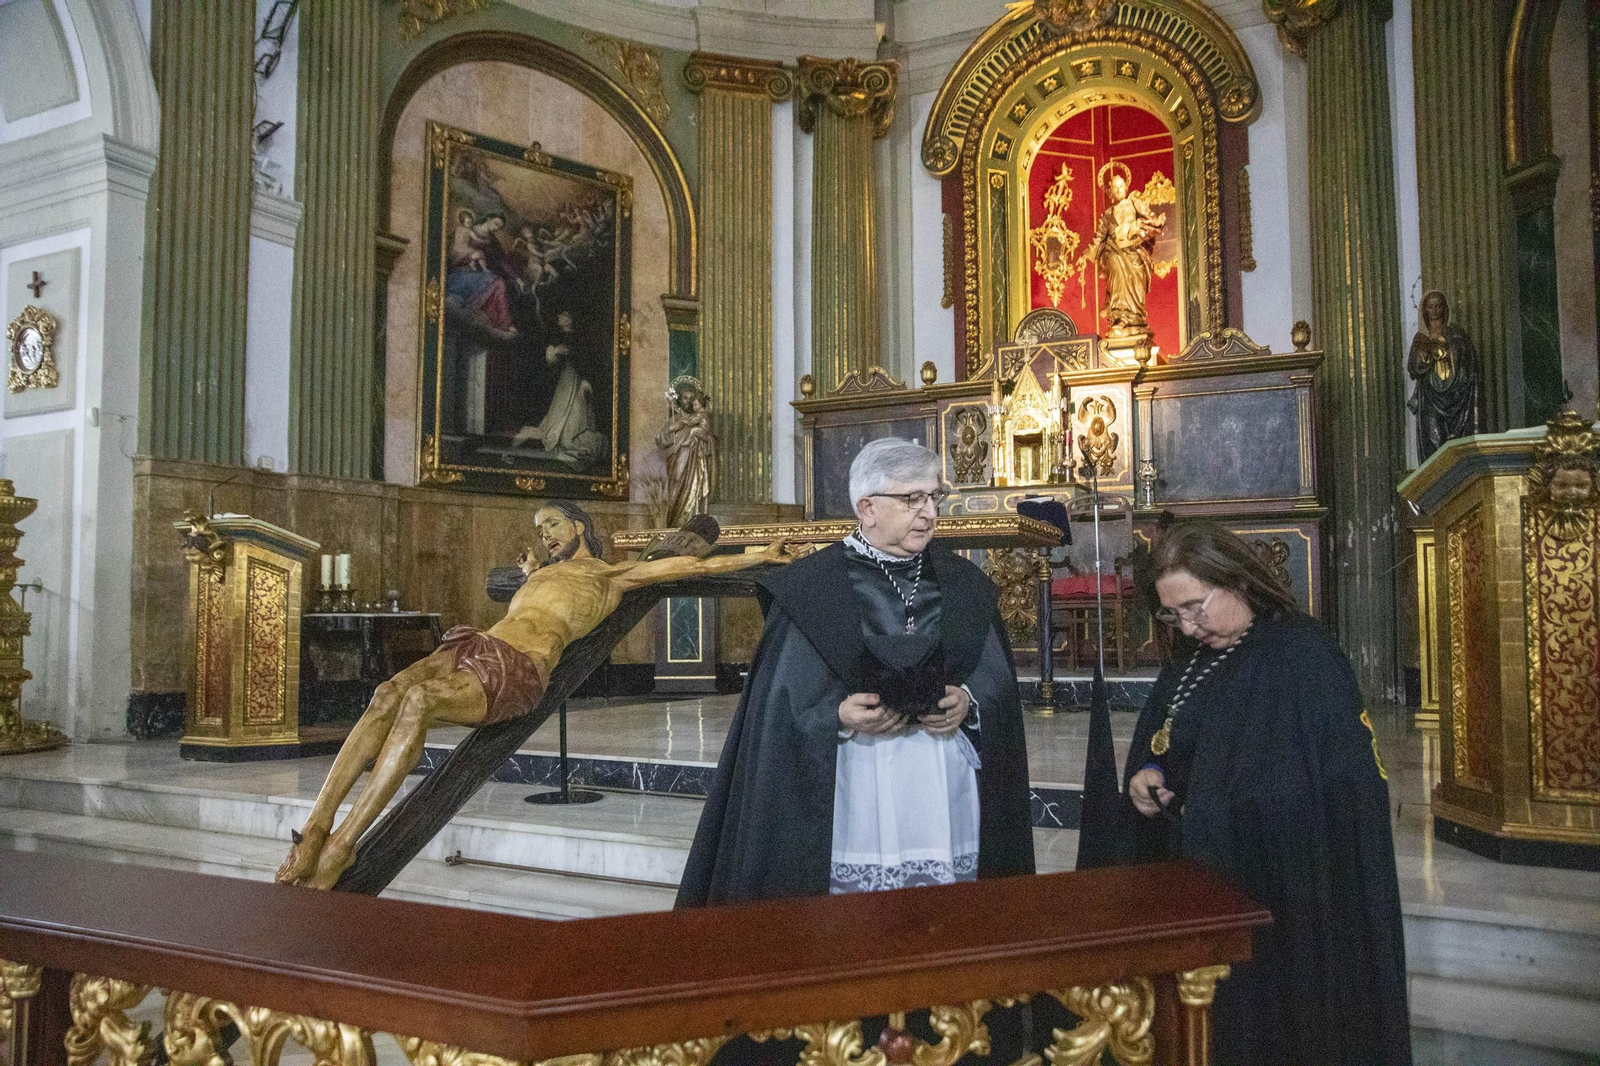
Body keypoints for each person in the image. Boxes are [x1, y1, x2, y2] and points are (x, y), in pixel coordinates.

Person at [277, 502, 793, 890]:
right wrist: (531, 575)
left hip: (516, 669)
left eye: (552, 524)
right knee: (388, 693)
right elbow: (533, 592)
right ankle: (317, 827)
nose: (544, 535)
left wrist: (760, 556)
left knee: (417, 703)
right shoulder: (543, 572)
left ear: (579, 527)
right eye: (539, 529)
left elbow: (690, 568)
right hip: (477, 645)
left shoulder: (611, 574)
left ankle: (344, 845)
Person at [677, 438, 1034, 905]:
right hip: (852, 785)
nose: (928, 512)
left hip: (942, 785)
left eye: (933, 497)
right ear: (866, 507)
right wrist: (836, 714)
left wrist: (969, 699)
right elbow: (780, 699)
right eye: (912, 499)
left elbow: (995, 678)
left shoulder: (965, 585)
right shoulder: (811, 589)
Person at [1123, 521, 1410, 1066]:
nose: (1186, 627)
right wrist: (1148, 773)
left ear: (1237, 582)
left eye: (1195, 607)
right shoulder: (1193, 661)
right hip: (1205, 883)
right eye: (1173, 613)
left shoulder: (1302, 656)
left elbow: (1329, 789)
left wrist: (1225, 811)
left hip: (1281, 895)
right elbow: (1168, 740)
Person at [1086, 161, 1165, 338]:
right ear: (1110, 193)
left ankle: (1134, 318)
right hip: (1114, 254)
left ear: (1126, 188)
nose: (1119, 190)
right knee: (1116, 282)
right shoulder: (1107, 214)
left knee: (1134, 284)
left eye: (1122, 186)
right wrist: (1087, 256)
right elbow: (1099, 238)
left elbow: (1151, 219)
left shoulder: (1134, 203)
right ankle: (1119, 319)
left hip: (1133, 256)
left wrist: (1150, 224)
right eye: (1115, 188)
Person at [1407, 289, 1481, 460]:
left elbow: (1469, 360)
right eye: (1430, 307)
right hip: (1431, 395)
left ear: (1444, 308)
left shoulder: (1456, 333)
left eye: (1438, 306)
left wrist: (1450, 352)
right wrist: (1426, 353)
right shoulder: (1420, 338)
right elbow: (1414, 367)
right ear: (1425, 310)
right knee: (1434, 439)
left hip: (1457, 393)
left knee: (1458, 443)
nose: (1434, 311)